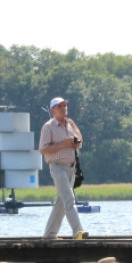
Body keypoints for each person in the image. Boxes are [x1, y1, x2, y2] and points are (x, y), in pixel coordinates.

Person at [38, 97, 86, 240]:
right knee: (69, 200)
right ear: (53, 110)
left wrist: (77, 143)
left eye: (64, 105)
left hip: (71, 167)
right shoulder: (48, 127)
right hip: (57, 167)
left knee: (61, 203)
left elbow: (80, 139)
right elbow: (42, 149)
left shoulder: (70, 123)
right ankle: (78, 232)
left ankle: (49, 235)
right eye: (59, 106)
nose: (63, 108)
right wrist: (62, 144)